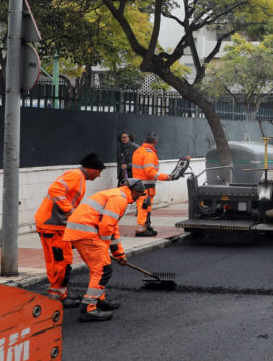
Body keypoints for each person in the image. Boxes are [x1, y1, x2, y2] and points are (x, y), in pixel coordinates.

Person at [63, 178, 146, 322]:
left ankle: (98, 300)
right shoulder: (119, 199)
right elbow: (106, 226)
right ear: (134, 191)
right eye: (140, 194)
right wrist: (104, 246)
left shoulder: (117, 195)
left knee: (98, 269)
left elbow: (113, 229)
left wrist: (118, 253)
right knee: (103, 270)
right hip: (86, 232)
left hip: (82, 232)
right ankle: (88, 308)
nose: (139, 197)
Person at [33, 153, 105, 307]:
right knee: (61, 262)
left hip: (55, 225)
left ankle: (58, 294)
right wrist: (69, 211)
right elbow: (55, 190)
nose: (99, 175)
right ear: (91, 168)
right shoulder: (76, 175)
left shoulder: (79, 177)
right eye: (99, 171)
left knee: (59, 262)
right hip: (52, 226)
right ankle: (57, 297)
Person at [132, 132, 171, 237]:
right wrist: (165, 177)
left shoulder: (138, 150)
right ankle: (141, 228)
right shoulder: (149, 153)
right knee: (144, 207)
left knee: (145, 206)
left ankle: (146, 225)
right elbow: (149, 171)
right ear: (155, 141)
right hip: (145, 186)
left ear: (145, 140)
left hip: (140, 184)